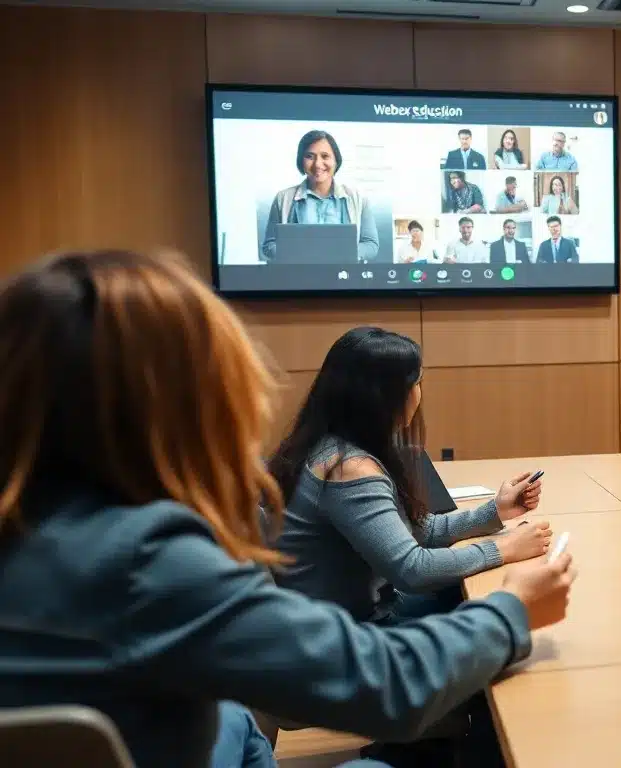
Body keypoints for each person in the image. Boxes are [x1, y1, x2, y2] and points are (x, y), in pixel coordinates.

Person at [0, 250, 577, 768]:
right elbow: (389, 687)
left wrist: (491, 522)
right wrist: (514, 608)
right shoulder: (146, 561)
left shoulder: (36, 534)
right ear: (181, 404)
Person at [268, 326, 551, 625]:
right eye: (417, 382)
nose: (420, 393)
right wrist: (506, 547)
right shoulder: (347, 469)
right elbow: (412, 570)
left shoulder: (327, 445)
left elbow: (417, 531)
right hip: (356, 633)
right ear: (383, 397)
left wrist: (495, 511)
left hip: (358, 614)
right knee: (511, 611)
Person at [262, 130, 379, 263]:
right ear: (301, 160)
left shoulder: (358, 198)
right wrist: (302, 256)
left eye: (325, 156)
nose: (318, 164)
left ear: (336, 160)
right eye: (310, 156)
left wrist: (340, 255)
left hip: (345, 278)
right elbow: (269, 245)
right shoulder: (283, 198)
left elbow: (370, 244)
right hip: (298, 279)